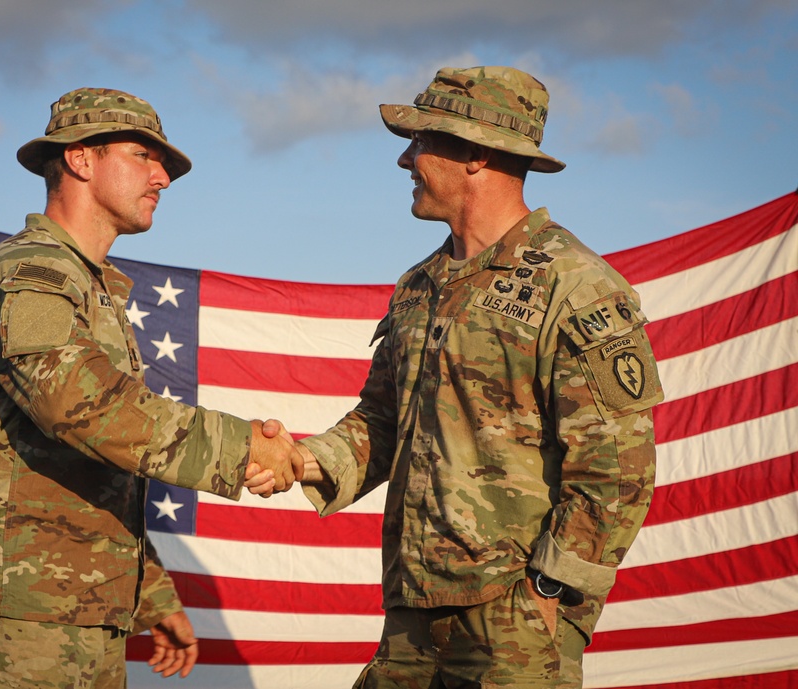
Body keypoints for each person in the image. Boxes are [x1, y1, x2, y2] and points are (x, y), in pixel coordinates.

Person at [255, 66, 663, 687]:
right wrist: (300, 460)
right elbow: (383, 421)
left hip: (512, 621)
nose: (404, 159)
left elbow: (615, 468)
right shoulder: (418, 285)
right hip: (411, 610)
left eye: (420, 140)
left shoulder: (573, 284)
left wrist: (550, 591)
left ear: (475, 153)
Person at [0, 87, 301, 689]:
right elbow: (78, 405)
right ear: (80, 159)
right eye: (143, 156)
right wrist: (243, 449)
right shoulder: (31, 273)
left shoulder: (89, 286)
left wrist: (149, 593)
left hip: (78, 610)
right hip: (19, 613)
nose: (163, 178)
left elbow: (95, 467)